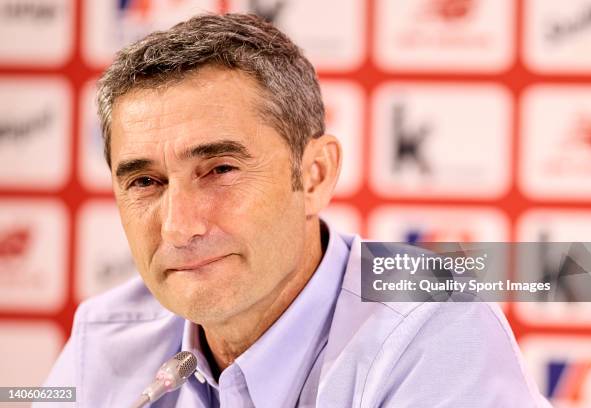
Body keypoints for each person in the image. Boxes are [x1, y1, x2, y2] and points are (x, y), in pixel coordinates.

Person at [40, 13, 550, 407]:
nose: (178, 227)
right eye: (145, 181)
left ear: (316, 175)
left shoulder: (434, 328)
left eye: (220, 170)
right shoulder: (107, 333)